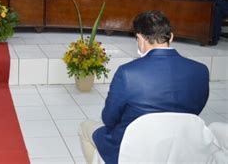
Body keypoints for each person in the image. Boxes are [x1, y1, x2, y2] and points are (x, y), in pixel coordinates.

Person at [78, 10, 209, 164]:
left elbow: (109, 119)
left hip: (133, 149)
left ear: (139, 38)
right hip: (180, 145)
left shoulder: (128, 73)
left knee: (85, 128)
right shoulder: (200, 70)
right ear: (171, 37)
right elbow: (195, 110)